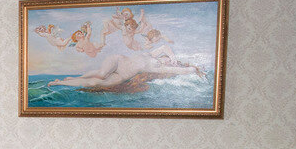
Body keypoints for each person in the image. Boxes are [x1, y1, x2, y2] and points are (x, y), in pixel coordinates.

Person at [47, 52, 203, 88]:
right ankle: (75, 78)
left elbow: (182, 71)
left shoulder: (158, 67)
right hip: (118, 61)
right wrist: (172, 56)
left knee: (94, 83)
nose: (170, 63)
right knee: (101, 74)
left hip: (122, 75)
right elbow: (165, 47)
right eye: (170, 60)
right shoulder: (152, 54)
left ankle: (60, 83)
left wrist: (193, 70)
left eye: (173, 63)